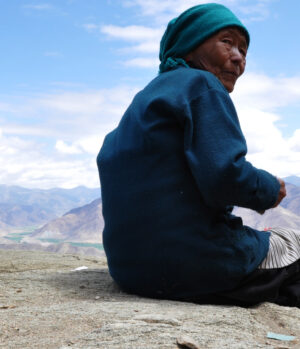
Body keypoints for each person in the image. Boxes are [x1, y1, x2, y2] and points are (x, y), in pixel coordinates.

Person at [97, 3, 300, 307]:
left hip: (131, 271)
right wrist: (270, 188)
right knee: (293, 244)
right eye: (227, 42)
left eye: (244, 50)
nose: (238, 58)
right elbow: (225, 176)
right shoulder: (202, 85)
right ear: (190, 48)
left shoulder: (147, 99)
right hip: (194, 264)